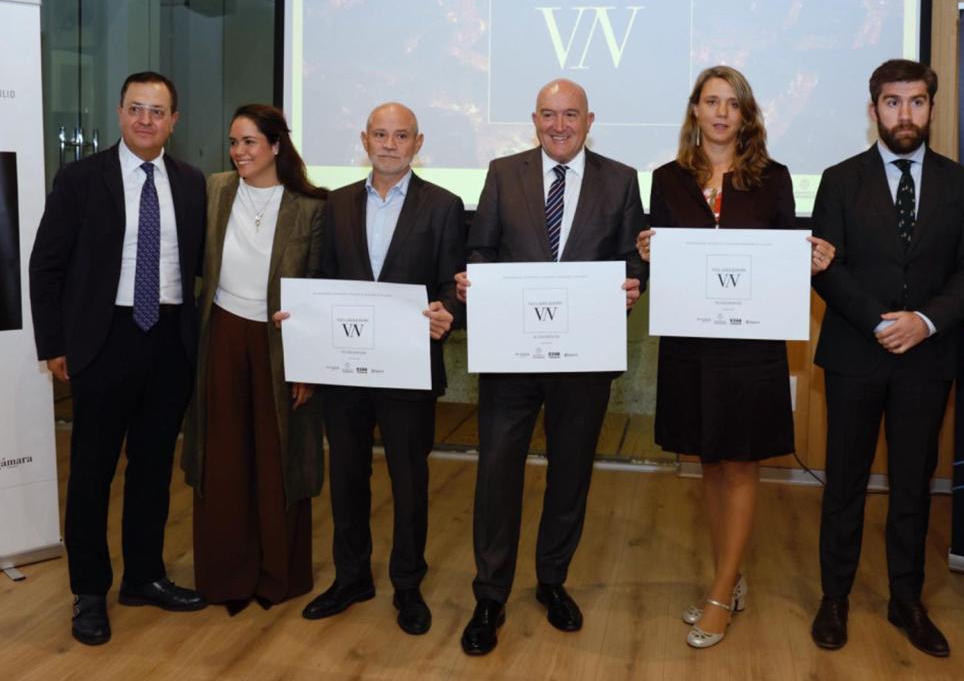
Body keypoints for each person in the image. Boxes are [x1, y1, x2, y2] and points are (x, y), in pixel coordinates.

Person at [634, 65, 836, 648]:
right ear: (694, 110)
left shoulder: (773, 179)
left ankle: (720, 592)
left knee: (741, 462)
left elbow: (781, 260)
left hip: (750, 347)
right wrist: (649, 249)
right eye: (711, 101)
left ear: (746, 116)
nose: (722, 113)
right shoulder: (666, 179)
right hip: (692, 348)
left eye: (733, 104)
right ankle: (731, 575)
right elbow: (667, 262)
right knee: (709, 462)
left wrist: (810, 256)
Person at [455, 78, 647, 656]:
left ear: (590, 120)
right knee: (496, 474)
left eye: (570, 115)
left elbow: (633, 255)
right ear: (533, 120)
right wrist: (475, 279)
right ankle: (490, 594)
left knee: (571, 472)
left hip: (585, 359)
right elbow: (482, 249)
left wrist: (635, 282)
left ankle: (552, 581)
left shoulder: (621, 179)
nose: (558, 125)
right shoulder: (501, 171)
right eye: (547, 115)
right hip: (511, 357)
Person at [809, 59, 964, 657]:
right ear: (873, 111)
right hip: (854, 354)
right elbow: (825, 265)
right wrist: (878, 322)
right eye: (892, 102)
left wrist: (924, 322)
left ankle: (905, 601)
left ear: (931, 108)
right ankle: (834, 598)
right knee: (844, 484)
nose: (904, 114)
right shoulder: (838, 180)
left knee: (914, 486)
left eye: (916, 102)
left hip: (927, 356)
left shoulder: (962, 184)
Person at [29, 71, 208, 645]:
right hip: (105, 339)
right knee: (91, 472)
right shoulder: (82, 178)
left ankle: (145, 577)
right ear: (119, 111)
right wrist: (54, 344)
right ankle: (88, 592)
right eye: (136, 108)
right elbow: (46, 265)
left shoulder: (191, 181)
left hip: (171, 340)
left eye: (158, 111)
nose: (146, 120)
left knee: (154, 469)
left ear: (175, 121)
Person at [298, 102, 464, 635]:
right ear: (364, 140)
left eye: (401, 136)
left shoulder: (444, 206)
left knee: (409, 481)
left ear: (418, 144)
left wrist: (449, 312)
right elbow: (322, 279)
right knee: (347, 476)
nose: (389, 144)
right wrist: (300, 320)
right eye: (380, 134)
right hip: (345, 369)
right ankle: (351, 577)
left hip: (409, 368)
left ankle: (408, 585)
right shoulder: (336, 203)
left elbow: (451, 286)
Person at [180, 104, 326, 614]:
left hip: (279, 344)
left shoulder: (310, 206)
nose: (239, 152)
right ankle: (225, 576)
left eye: (250, 142)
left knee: (277, 458)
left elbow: (317, 290)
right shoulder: (215, 189)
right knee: (222, 457)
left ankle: (277, 576)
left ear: (276, 147)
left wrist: (308, 364)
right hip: (220, 332)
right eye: (234, 141)